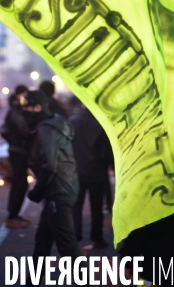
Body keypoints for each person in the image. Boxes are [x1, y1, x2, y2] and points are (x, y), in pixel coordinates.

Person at [23, 89, 80, 286]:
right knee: (43, 241)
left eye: (27, 107)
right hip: (60, 189)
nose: (25, 112)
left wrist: (37, 191)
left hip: (58, 191)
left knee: (67, 246)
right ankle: (33, 280)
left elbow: (50, 164)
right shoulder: (54, 124)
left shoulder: (45, 129)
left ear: (38, 107)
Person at [70, 104, 113, 249]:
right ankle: (97, 238)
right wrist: (106, 166)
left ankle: (75, 236)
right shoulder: (100, 123)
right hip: (96, 172)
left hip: (76, 171)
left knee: (76, 206)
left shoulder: (72, 121)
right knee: (96, 208)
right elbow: (106, 151)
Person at [0, 85, 30, 228]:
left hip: (19, 149)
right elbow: (24, 128)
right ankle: (12, 215)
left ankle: (14, 214)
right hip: (18, 150)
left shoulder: (17, 109)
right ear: (19, 95)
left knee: (20, 183)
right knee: (19, 183)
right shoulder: (16, 110)